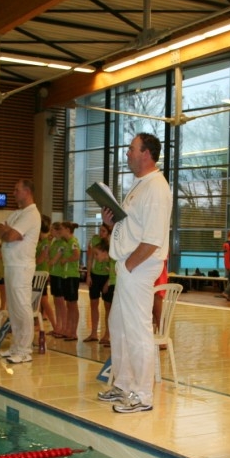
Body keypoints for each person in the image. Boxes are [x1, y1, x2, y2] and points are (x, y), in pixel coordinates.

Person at [98, 132, 172, 414]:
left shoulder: (156, 188)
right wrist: (112, 223)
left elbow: (152, 239)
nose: (127, 153)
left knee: (138, 330)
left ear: (146, 154)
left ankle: (143, 395)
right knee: (118, 326)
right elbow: (134, 228)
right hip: (128, 264)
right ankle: (124, 384)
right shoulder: (139, 185)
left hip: (138, 266)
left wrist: (130, 265)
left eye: (131, 149)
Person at [0, 178, 40, 364]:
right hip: (11, 265)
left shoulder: (32, 214)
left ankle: (25, 350)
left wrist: (8, 232)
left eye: (16, 190)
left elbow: (11, 235)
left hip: (22, 266)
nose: (13, 193)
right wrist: (7, 232)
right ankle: (16, 346)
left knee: (22, 307)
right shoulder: (15, 214)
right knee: (13, 309)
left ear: (27, 192)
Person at [86, 224, 113, 340]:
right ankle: (93, 333)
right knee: (93, 304)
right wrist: (88, 275)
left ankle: (107, 334)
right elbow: (90, 258)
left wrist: (109, 281)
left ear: (108, 232)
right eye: (100, 230)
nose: (100, 233)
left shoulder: (112, 242)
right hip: (95, 275)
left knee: (108, 306)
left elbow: (113, 265)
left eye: (103, 231)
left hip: (107, 276)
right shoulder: (95, 240)